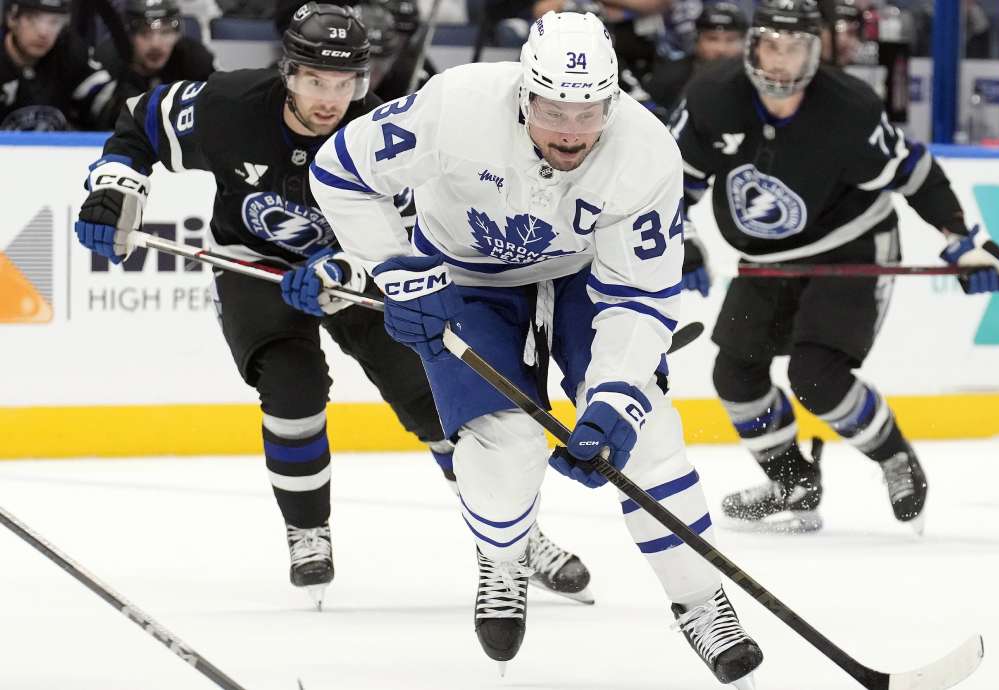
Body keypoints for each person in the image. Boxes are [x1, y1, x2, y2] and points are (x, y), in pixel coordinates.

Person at [72, 2, 593, 610]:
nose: (330, 98)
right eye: (316, 80)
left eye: (345, 83)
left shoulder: (380, 134)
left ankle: (515, 539)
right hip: (254, 264)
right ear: (288, 72)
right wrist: (116, 186)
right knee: (291, 386)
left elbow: (409, 231)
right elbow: (142, 121)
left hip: (359, 272)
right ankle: (306, 529)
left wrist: (345, 267)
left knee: (434, 402)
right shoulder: (230, 106)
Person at [308, 10, 764, 686]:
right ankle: (503, 557)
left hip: (584, 276)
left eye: (590, 112)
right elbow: (339, 170)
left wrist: (614, 399)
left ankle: (702, 603)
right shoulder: (456, 106)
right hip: (464, 276)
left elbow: (638, 298)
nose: (572, 132)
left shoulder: (645, 152)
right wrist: (398, 270)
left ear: (612, 100)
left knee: (650, 433)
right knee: (504, 440)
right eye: (554, 109)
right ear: (524, 93)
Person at [670, 0, 999, 534]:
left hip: (849, 244)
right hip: (765, 258)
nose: (780, 61)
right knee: (734, 374)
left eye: (794, 48)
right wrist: (684, 238)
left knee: (817, 376)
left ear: (815, 50)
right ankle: (791, 482)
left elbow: (915, 174)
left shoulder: (848, 109)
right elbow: (671, 184)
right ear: (752, 46)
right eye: (770, 46)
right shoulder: (712, 98)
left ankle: (893, 456)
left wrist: (960, 241)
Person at [0, 0, 119, 130]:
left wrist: (123, 111)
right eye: (31, 19)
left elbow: (106, 101)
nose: (43, 33)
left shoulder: (69, 52)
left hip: (56, 149)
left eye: (54, 22)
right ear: (12, 18)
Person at [96, 0, 216, 103]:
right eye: (144, 33)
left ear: (177, 35)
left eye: (166, 32)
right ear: (128, 36)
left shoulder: (196, 60)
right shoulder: (107, 62)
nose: (155, 44)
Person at [643, 1, 748, 115]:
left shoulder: (756, 82)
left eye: (731, 39)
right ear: (697, 39)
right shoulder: (668, 78)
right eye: (712, 39)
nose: (721, 49)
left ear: (746, 42)